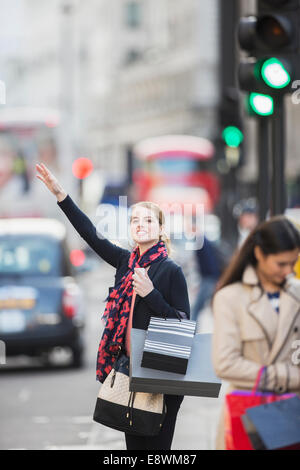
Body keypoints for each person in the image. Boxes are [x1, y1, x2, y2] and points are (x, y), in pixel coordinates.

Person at [35, 162, 190, 450]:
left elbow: (182, 327)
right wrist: (61, 195)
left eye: (148, 220)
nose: (140, 225)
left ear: (160, 229)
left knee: (157, 451)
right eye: (135, 221)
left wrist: (151, 294)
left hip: (161, 375)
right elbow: (91, 235)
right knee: (134, 449)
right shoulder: (124, 263)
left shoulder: (171, 271)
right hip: (129, 371)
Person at [212, 215, 300, 450]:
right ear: (259, 254)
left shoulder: (297, 294)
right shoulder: (230, 298)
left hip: (293, 412)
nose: (288, 271)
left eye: (293, 263)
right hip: (246, 412)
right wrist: (289, 377)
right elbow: (225, 364)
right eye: (281, 264)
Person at [191, 235, 223, 322]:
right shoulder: (202, 240)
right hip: (208, 279)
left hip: (209, 280)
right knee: (213, 306)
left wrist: (216, 279)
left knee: (197, 308)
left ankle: (192, 331)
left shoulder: (201, 241)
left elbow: (210, 262)